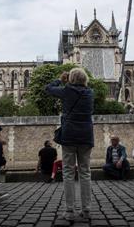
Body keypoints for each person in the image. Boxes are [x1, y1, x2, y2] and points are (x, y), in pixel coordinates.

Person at [45, 68, 94, 221]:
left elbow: (48, 89)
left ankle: (69, 210)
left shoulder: (67, 91)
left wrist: (60, 80)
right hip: (86, 135)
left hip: (70, 134)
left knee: (68, 172)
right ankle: (86, 209)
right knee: (85, 172)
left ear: (71, 79)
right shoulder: (90, 93)